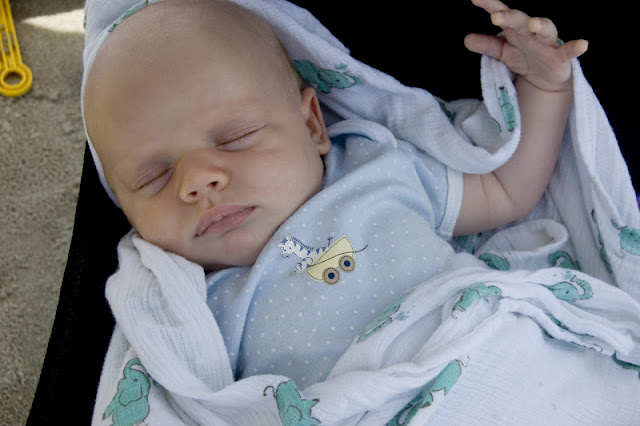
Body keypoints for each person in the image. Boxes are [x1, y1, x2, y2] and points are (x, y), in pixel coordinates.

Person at [82, 0, 589, 386]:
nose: (196, 181)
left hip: (505, 365)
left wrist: (545, 88)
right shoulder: (181, 304)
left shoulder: (374, 170)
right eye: (152, 178)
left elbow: (505, 189)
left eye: (235, 138)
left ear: (312, 124)